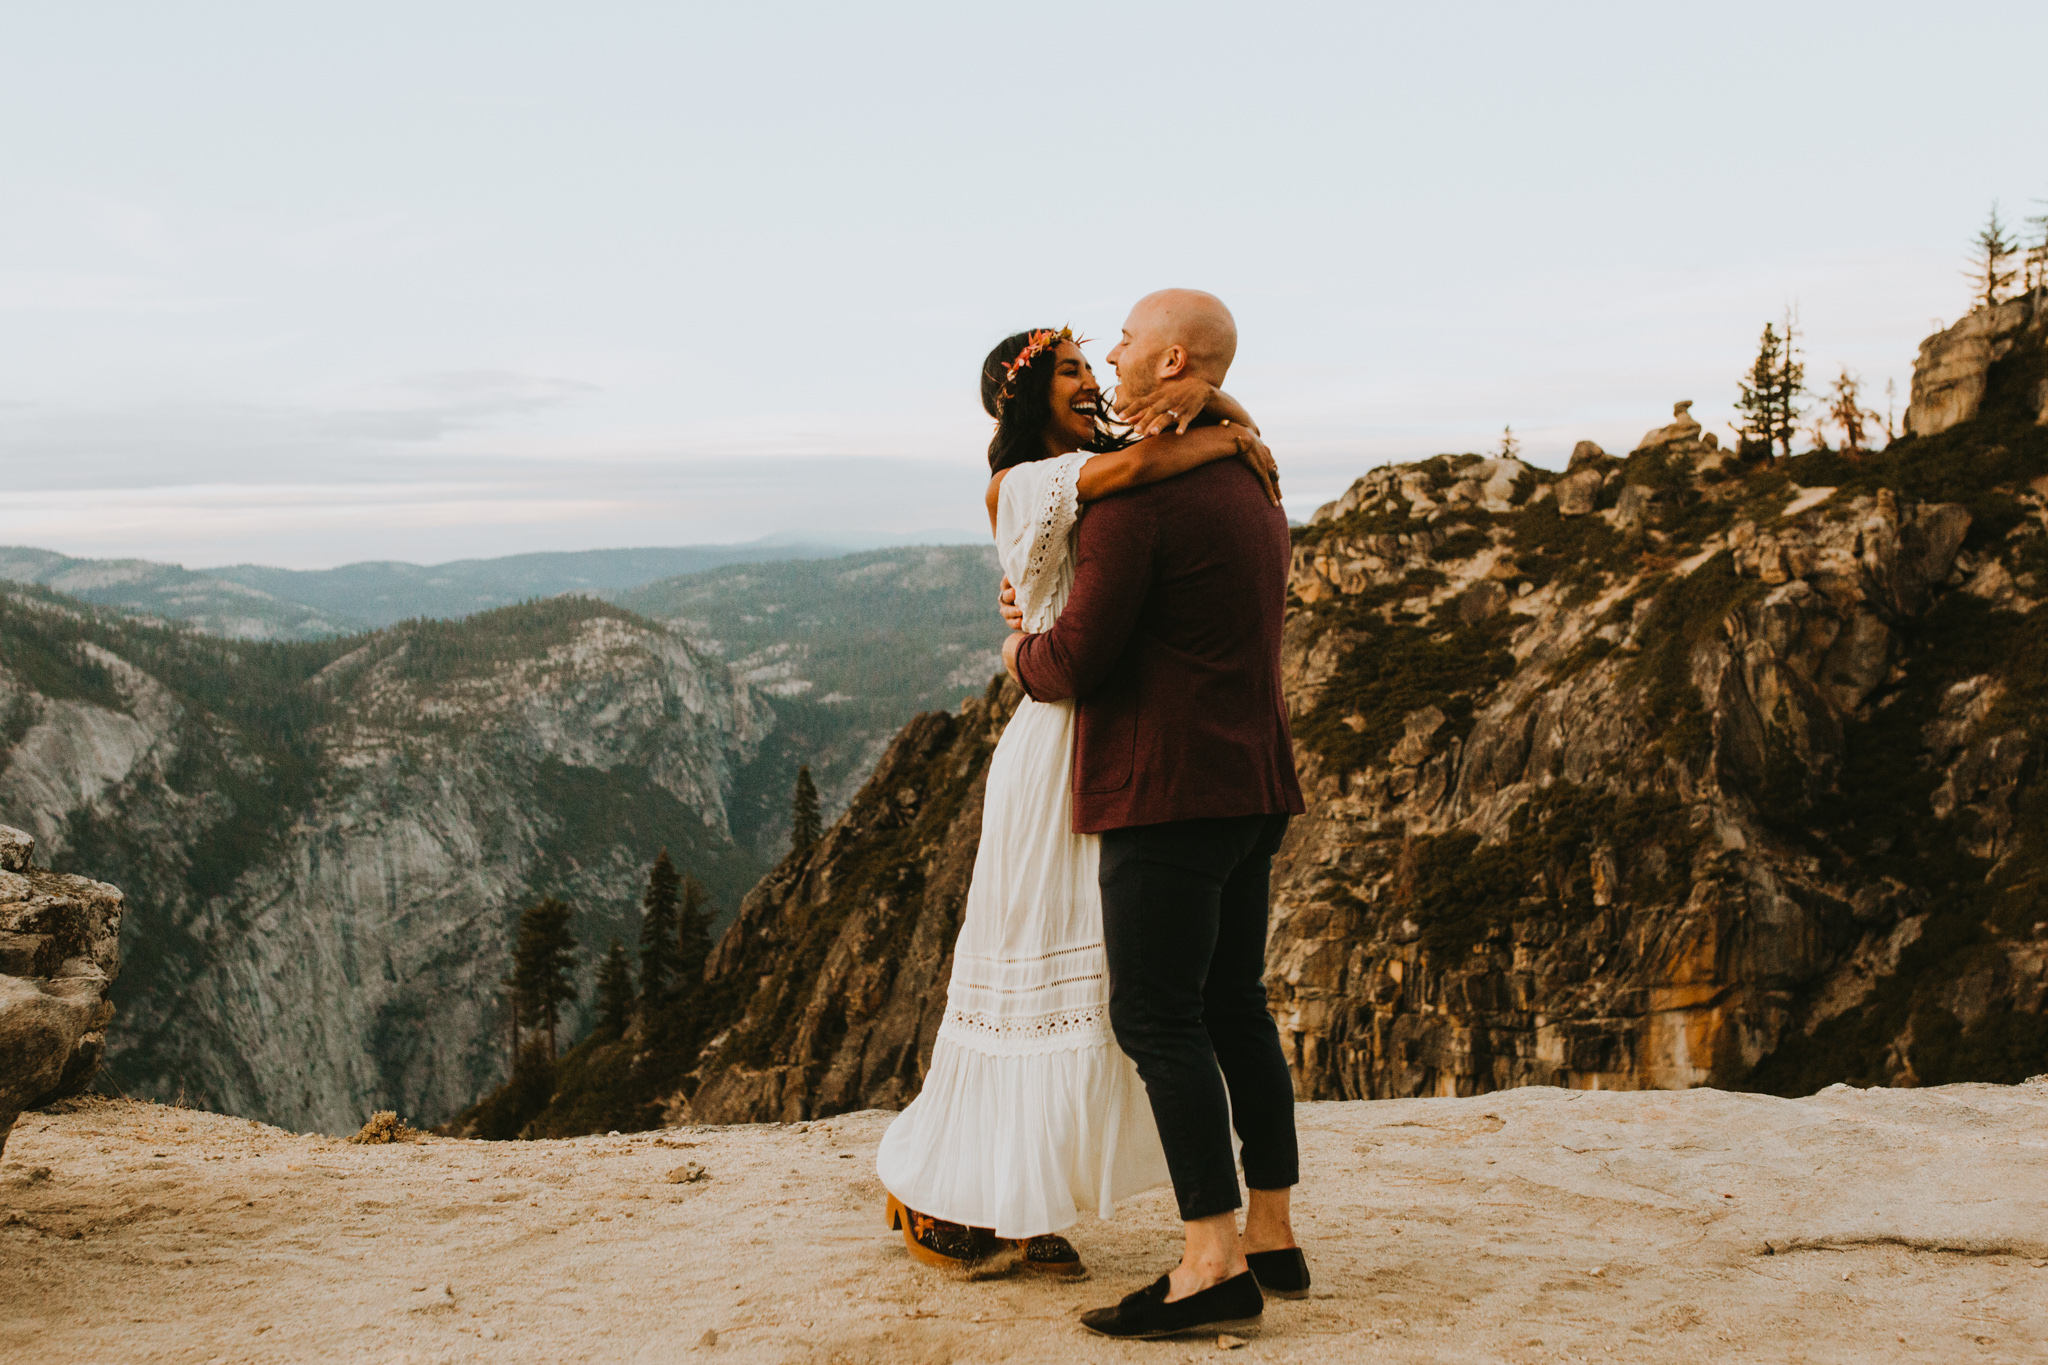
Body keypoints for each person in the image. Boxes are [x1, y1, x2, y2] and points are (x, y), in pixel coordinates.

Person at [875, 323, 1278, 1279]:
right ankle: (938, 1190)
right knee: (1019, 981)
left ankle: (1026, 1194)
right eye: (1068, 370)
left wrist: (1219, 407)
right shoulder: (1021, 484)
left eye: (1090, 365)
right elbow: (1132, 479)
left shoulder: (1110, 459)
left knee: (1099, 992)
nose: (1090, 380)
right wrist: (1226, 431)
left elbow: (1146, 472)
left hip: (1112, 745)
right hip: (1053, 744)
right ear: (1021, 396)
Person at [1006, 290, 1309, 1339]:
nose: (1115, 352)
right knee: (1233, 1005)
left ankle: (1210, 1264)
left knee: (1156, 1017)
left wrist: (1013, 648)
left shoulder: (1136, 505)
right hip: (1253, 779)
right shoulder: (1248, 474)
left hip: (1165, 792)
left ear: (1171, 360)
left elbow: (1071, 662)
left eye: (1127, 339)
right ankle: (1271, 1232)